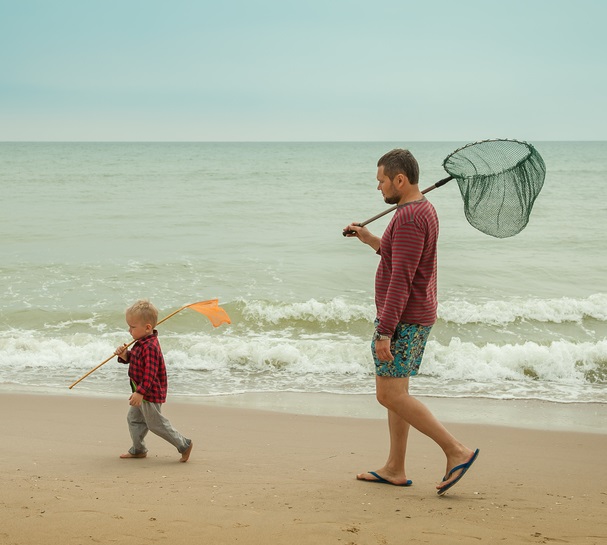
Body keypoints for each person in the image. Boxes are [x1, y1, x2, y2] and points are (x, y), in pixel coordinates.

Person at [344, 149, 478, 495]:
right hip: (418, 313)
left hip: (403, 319)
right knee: (398, 392)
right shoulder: (421, 210)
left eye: (382, 181)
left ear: (400, 180)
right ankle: (395, 468)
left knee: (388, 394)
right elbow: (402, 258)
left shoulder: (408, 218)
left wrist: (385, 331)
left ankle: (456, 450)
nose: (379, 188)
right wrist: (370, 239)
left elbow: (401, 278)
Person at [115, 300, 193, 462]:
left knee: (155, 424)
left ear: (148, 327)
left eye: (133, 327)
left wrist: (140, 393)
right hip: (141, 391)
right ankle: (138, 449)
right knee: (134, 419)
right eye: (129, 326)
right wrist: (125, 356)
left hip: (149, 393)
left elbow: (150, 374)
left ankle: (183, 444)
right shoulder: (141, 342)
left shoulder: (150, 347)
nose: (129, 331)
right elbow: (136, 361)